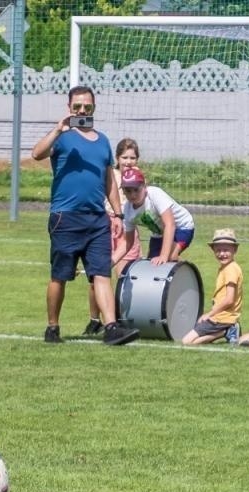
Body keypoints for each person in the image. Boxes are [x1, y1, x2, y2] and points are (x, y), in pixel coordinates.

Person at [32, 85, 139, 346]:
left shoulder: (103, 141)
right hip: (65, 217)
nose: (82, 110)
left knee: (101, 273)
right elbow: (36, 154)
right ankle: (52, 327)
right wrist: (58, 128)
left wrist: (116, 213)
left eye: (87, 107)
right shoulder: (62, 137)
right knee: (60, 276)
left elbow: (108, 181)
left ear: (94, 107)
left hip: (97, 219)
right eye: (77, 106)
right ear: (69, 107)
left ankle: (111, 327)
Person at [85, 137, 143, 335]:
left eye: (132, 157)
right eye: (124, 157)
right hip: (108, 226)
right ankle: (94, 320)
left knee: (127, 275)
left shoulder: (139, 177)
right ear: (117, 158)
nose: (128, 161)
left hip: (129, 230)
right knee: (99, 276)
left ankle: (122, 319)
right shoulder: (111, 174)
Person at [119, 166, 195, 265]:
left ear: (144, 186)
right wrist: (110, 262)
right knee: (152, 266)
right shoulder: (127, 210)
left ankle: (187, 274)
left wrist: (164, 255)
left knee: (170, 257)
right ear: (123, 191)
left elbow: (170, 224)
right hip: (159, 233)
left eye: (136, 190)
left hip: (182, 227)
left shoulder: (155, 194)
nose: (133, 195)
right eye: (128, 191)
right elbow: (127, 242)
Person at [182, 228, 243, 345]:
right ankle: (227, 330)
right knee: (191, 340)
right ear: (213, 250)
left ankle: (226, 331)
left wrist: (209, 314)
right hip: (221, 317)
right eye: (218, 250)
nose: (221, 254)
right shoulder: (227, 267)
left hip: (223, 318)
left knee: (187, 342)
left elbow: (229, 299)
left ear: (235, 250)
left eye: (226, 250)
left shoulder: (231, 270)